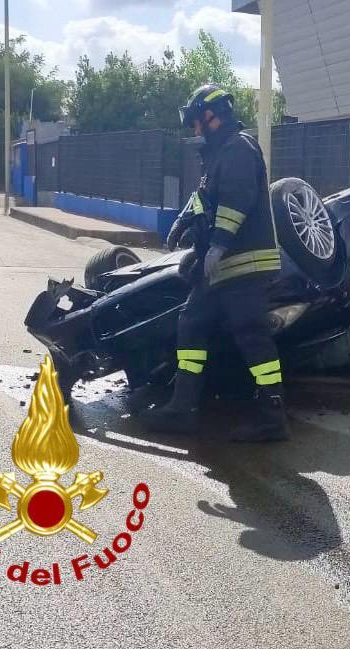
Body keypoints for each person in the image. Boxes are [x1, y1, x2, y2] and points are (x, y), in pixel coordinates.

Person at [141, 84, 287, 442]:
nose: (194, 130)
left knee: (252, 337)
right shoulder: (218, 154)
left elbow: (237, 200)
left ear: (211, 116)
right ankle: (182, 408)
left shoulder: (239, 148)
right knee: (191, 323)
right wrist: (182, 224)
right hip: (221, 269)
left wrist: (218, 246)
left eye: (196, 123)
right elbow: (203, 200)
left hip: (243, 264)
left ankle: (272, 418)